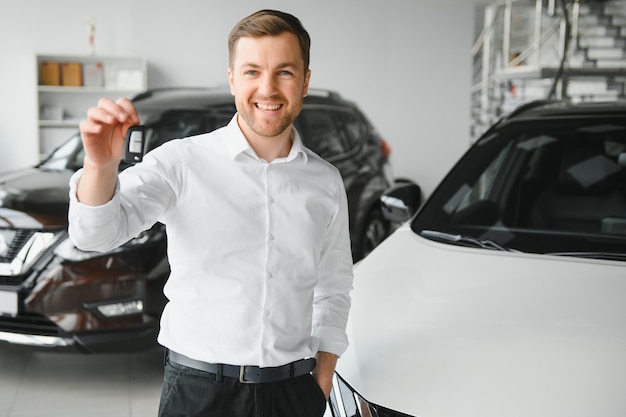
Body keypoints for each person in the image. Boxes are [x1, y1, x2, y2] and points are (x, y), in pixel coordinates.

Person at [67, 9, 354, 417]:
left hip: (294, 393)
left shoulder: (326, 182)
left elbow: (334, 288)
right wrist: (100, 167)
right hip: (198, 393)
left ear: (306, 80)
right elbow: (94, 234)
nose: (268, 88)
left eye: (285, 72)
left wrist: (320, 384)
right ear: (233, 79)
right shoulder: (181, 162)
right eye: (252, 71)